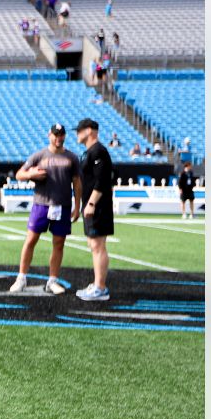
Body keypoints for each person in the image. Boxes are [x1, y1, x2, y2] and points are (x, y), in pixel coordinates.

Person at [9, 124, 82, 295]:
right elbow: (19, 174)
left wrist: (77, 205)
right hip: (41, 204)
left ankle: (52, 280)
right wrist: (30, 175)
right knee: (31, 240)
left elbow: (77, 183)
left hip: (62, 205)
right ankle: (21, 278)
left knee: (59, 244)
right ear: (49, 135)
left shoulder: (72, 157)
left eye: (61, 135)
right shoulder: (39, 155)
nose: (59, 138)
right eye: (56, 135)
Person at [74, 118, 116, 301]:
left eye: (80, 130)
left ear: (89, 130)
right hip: (91, 206)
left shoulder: (99, 151)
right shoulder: (89, 152)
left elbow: (103, 180)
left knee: (98, 246)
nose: (77, 134)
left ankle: (100, 287)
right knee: (93, 245)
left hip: (98, 207)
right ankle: (98, 284)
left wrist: (91, 203)